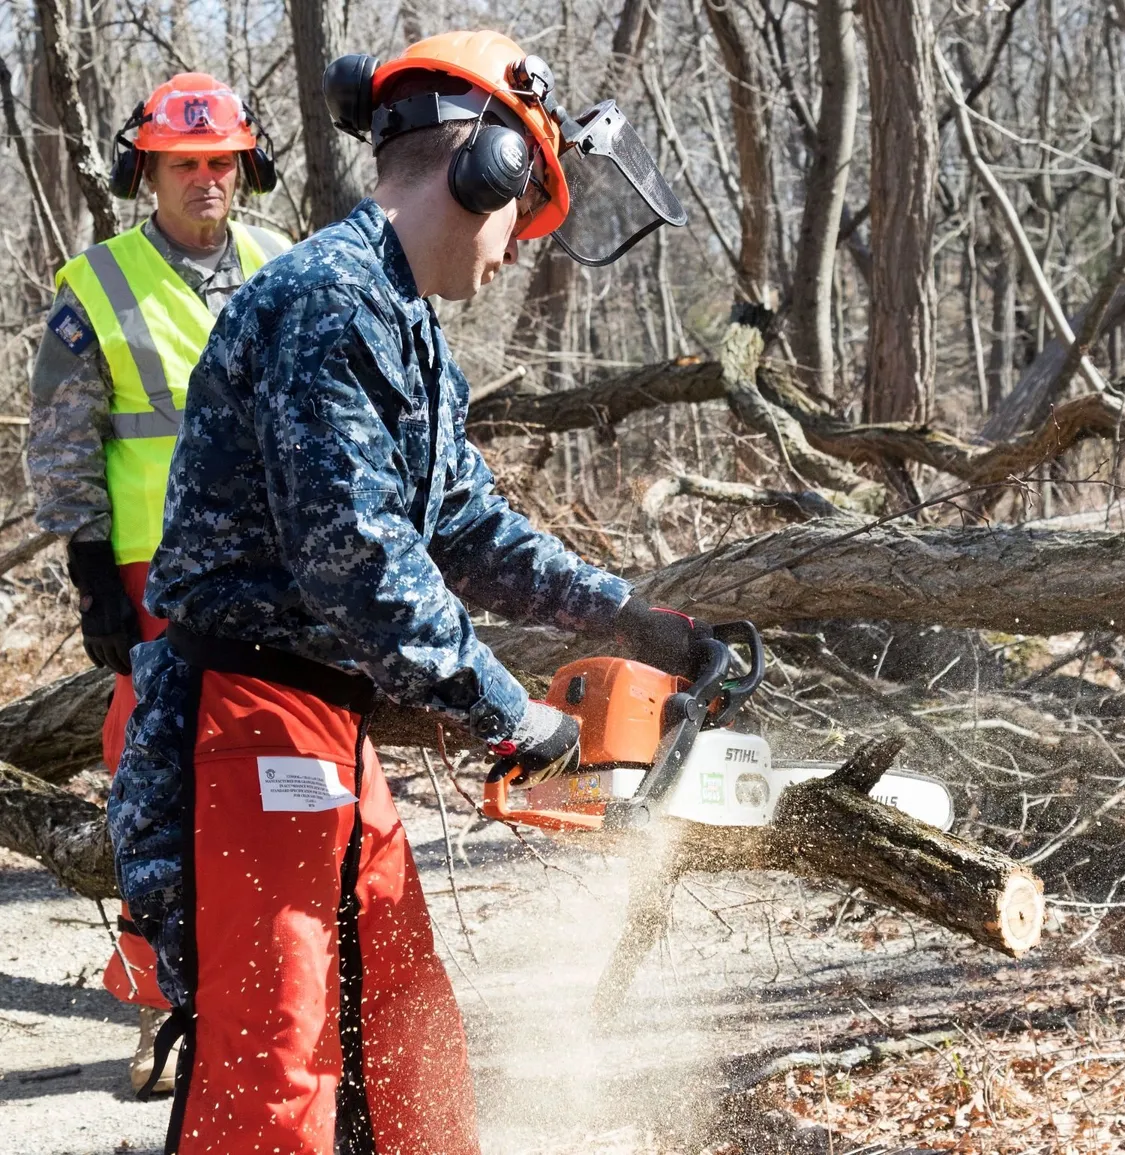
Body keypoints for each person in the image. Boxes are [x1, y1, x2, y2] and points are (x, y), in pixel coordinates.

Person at [108, 30, 698, 1154]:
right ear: (487, 171)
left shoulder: (407, 330)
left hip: (324, 723)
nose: (519, 248)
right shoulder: (327, 306)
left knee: (402, 1034)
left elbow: (465, 526)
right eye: (524, 208)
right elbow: (359, 562)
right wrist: (505, 711)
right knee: (277, 1066)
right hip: (248, 717)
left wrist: (633, 617)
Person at [26, 71, 289, 1094]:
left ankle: (279, 1000)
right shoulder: (97, 286)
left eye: (220, 161)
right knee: (157, 799)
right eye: (185, 164)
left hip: (278, 582)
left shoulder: (284, 267)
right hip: (154, 587)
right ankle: (161, 1011)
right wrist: (90, 569)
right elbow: (59, 445)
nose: (205, 180)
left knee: (287, 786)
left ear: (243, 167)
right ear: (151, 170)